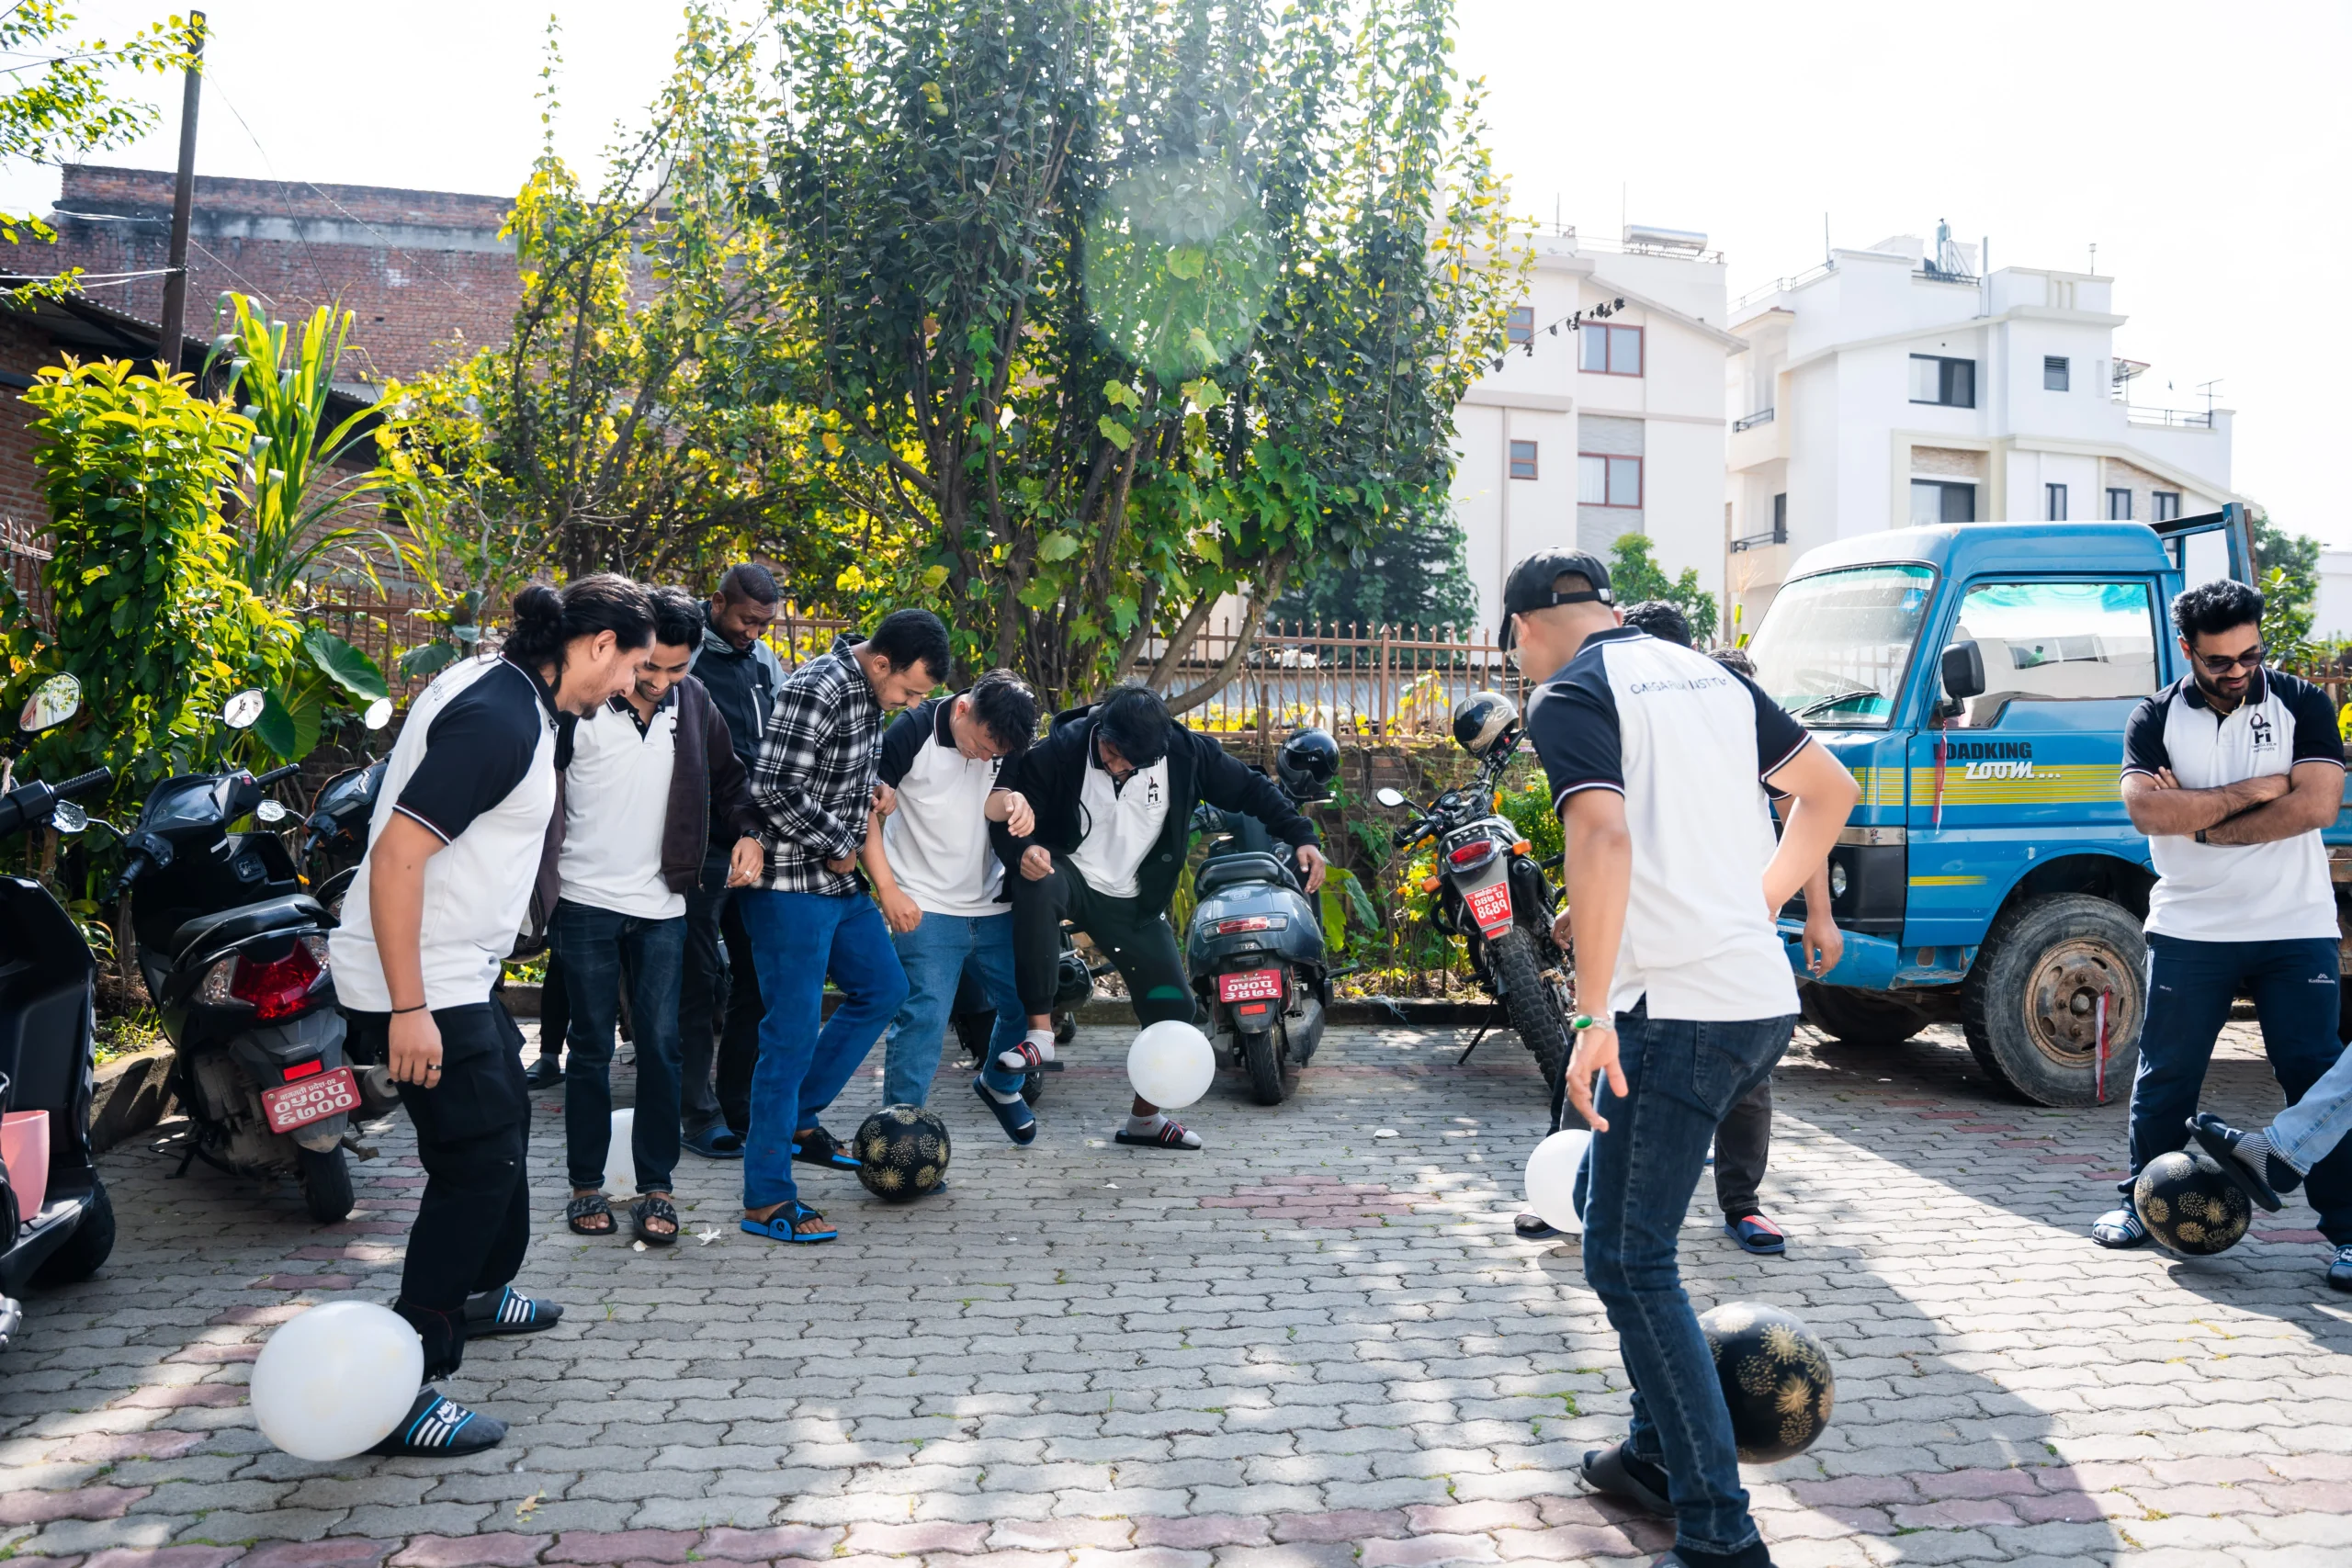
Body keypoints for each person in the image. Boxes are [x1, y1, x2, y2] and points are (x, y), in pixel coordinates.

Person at [1507, 548, 1856, 1568]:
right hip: (1750, 1002)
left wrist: (1593, 1011)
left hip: (1674, 1015)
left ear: (1525, 627)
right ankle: (1654, 1458)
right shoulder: (1706, 672)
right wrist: (1752, 904)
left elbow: (1603, 837)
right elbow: (1827, 794)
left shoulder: (1570, 691)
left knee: (1628, 1259)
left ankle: (1718, 1532)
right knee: (1629, 1246)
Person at [333, 575, 654, 1456]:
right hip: (419, 981)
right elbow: (399, 853)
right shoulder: (503, 720)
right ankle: (406, 1383)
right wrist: (408, 1008)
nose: (628, 685)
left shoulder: (507, 687)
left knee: (502, 1126)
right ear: (595, 646)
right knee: (478, 1164)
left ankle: (479, 1292)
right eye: (630, 665)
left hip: (452, 974)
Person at [1513, 605, 1842, 1259]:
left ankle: (1740, 1202)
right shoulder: (1630, 720)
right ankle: (1577, 1188)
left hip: (1730, 935)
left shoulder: (1721, 706)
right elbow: (1623, 836)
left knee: (1738, 1082)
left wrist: (1806, 906)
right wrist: (1588, 908)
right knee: (1597, 1057)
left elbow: (1812, 800)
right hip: (1658, 944)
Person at [2101, 577, 2352, 1292]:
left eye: (2249, 654)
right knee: (2165, 1075)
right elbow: (2148, 815)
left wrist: (2200, 816)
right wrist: (2255, 790)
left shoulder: (2300, 701)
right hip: (2189, 924)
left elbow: (2317, 805)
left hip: (2294, 922)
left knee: (2315, 1075)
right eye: (2219, 660)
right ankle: (2139, 1206)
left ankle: (2349, 1231)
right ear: (2188, 651)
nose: (2238, 669)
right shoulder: (2152, 717)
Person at [989, 684, 1329, 1151]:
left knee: (1175, 1010)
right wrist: (1023, 851)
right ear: (1100, 730)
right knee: (1037, 883)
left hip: (1134, 902)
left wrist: (1301, 834)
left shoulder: (1187, 753)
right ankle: (1040, 1034)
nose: (1115, 766)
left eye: (1130, 762)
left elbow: (1250, 787)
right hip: (1070, 875)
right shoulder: (1061, 751)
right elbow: (1005, 822)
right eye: (1110, 752)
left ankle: (1145, 1121)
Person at [552, 587, 765, 1245]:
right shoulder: (579, 705)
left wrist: (749, 832)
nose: (660, 682)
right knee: (588, 1048)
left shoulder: (693, 703)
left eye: (677, 669)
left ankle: (657, 1187)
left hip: (663, 902)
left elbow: (731, 782)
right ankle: (587, 1185)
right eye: (651, 668)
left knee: (664, 1047)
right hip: (583, 898)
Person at [737, 609, 947, 1242]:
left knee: (884, 989)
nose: (911, 703)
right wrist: (837, 838)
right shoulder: (819, 685)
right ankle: (766, 1198)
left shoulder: (867, 692)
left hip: (839, 883)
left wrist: (871, 794)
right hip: (790, 888)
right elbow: (772, 786)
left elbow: (834, 773)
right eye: (909, 690)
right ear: (881, 661)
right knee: (789, 1035)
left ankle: (800, 1118)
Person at [860, 670, 1042, 1139]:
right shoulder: (913, 729)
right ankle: (901, 1137)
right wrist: (889, 891)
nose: (986, 757)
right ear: (963, 709)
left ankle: (999, 1083)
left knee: (1029, 1001)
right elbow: (865, 813)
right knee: (923, 1022)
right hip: (924, 903)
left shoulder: (1007, 739)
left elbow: (993, 801)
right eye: (982, 745)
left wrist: (1015, 801)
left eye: (996, 754)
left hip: (992, 901)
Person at [674, 563, 787, 1151]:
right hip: (699, 847)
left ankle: (739, 1105)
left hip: (758, 843)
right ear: (717, 602)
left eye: (764, 623)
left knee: (758, 980)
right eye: (747, 620)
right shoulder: (683, 653)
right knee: (697, 984)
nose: (754, 633)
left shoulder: (766, 662)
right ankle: (697, 1114)